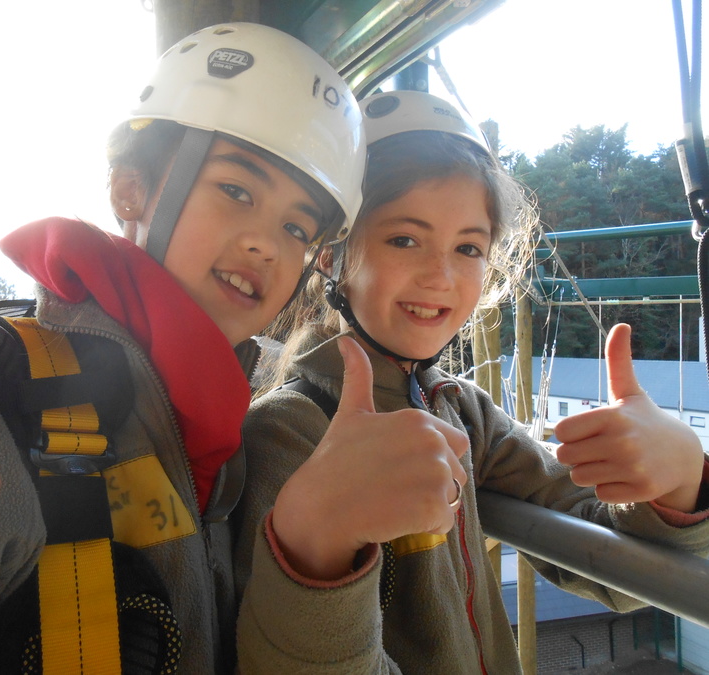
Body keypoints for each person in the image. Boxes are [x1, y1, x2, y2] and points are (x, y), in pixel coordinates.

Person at [0, 23, 366, 674]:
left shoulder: (250, 434)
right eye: (237, 190)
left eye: (297, 226)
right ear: (131, 192)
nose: (268, 243)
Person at [234, 90, 709, 673]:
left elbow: (612, 568)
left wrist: (677, 485)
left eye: (468, 247)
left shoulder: (461, 410)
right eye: (404, 238)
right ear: (333, 254)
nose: (441, 275)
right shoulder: (287, 432)